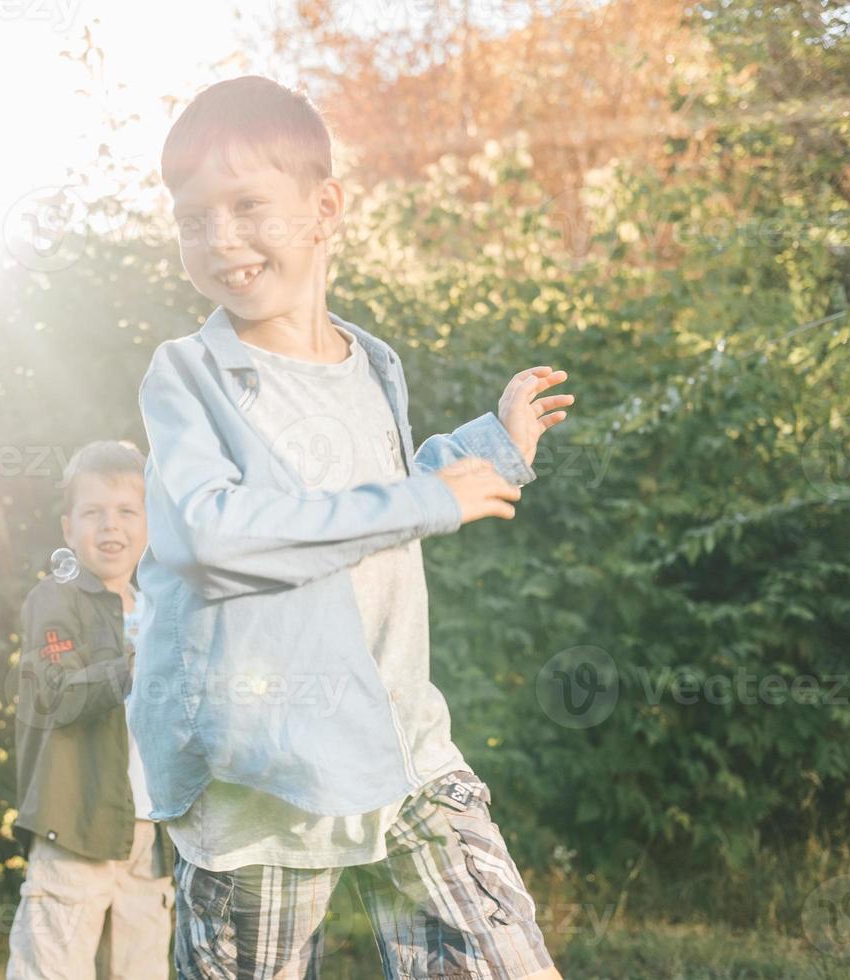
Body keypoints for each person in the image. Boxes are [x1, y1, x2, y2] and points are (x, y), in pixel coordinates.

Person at [129, 75, 575, 979]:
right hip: (267, 777)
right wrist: (425, 502)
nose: (219, 239)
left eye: (248, 204)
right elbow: (218, 538)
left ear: (326, 207)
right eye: (191, 218)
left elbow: (375, 500)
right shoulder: (188, 378)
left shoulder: (371, 360)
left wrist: (490, 449)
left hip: (403, 744)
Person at [6, 440, 176, 980]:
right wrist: (132, 663)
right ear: (67, 529)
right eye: (93, 513)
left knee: (141, 969)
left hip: (148, 831)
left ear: (150, 524)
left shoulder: (162, 609)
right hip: (75, 823)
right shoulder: (55, 601)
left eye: (128, 512)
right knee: (53, 966)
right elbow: (57, 693)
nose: (111, 526)